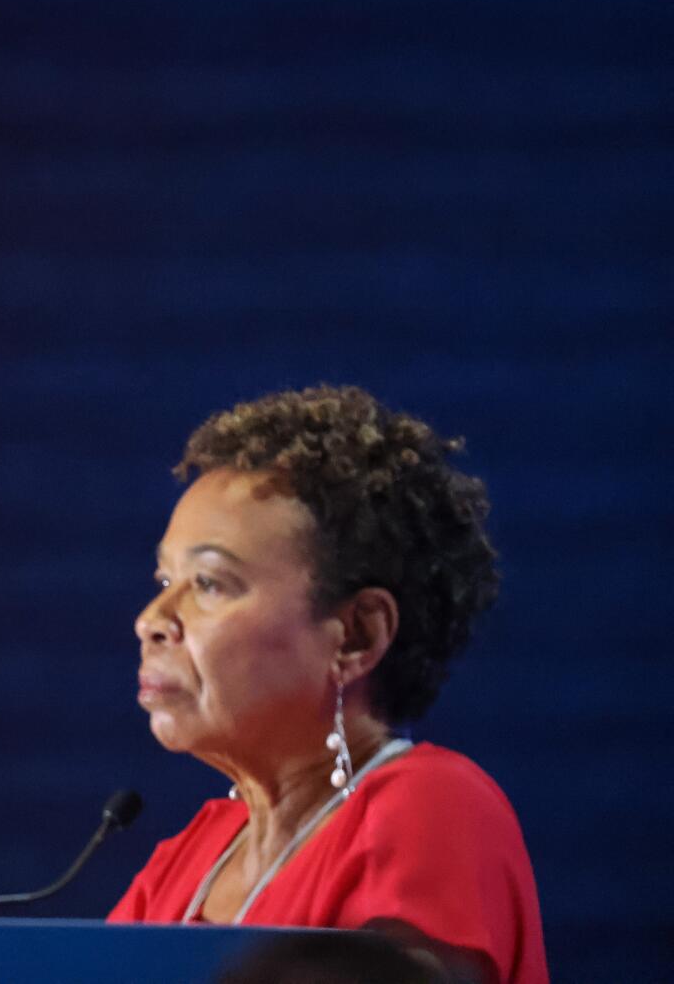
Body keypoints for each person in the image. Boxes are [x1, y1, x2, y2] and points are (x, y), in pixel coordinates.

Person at [109, 386, 546, 984]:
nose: (153, 618)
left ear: (356, 637)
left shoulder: (431, 809)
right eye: (165, 577)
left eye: (210, 583)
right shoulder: (184, 862)